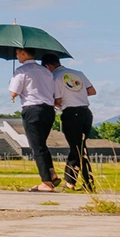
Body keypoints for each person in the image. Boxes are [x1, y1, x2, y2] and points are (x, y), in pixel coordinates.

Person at [9, 49, 62, 192]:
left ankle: (46, 182)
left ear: (23, 53)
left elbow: (14, 92)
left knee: (36, 146)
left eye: (18, 53)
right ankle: (51, 173)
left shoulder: (21, 71)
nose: (17, 56)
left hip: (32, 109)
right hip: (48, 110)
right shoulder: (45, 71)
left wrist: (11, 83)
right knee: (41, 144)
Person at [44, 54, 97, 191]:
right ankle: (71, 181)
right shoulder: (78, 73)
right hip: (86, 112)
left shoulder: (55, 78)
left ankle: (87, 182)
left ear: (48, 66)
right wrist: (76, 94)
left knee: (78, 150)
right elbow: (91, 91)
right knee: (78, 148)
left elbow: (58, 100)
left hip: (71, 113)